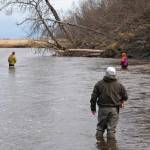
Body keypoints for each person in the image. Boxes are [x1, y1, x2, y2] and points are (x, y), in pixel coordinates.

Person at [90, 66, 128, 140]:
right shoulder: (119, 84)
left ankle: (99, 145)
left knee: (100, 128)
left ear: (106, 74)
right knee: (111, 130)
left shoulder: (99, 84)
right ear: (114, 74)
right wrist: (122, 101)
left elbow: (93, 98)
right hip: (114, 110)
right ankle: (111, 146)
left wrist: (93, 109)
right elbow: (126, 96)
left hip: (102, 109)